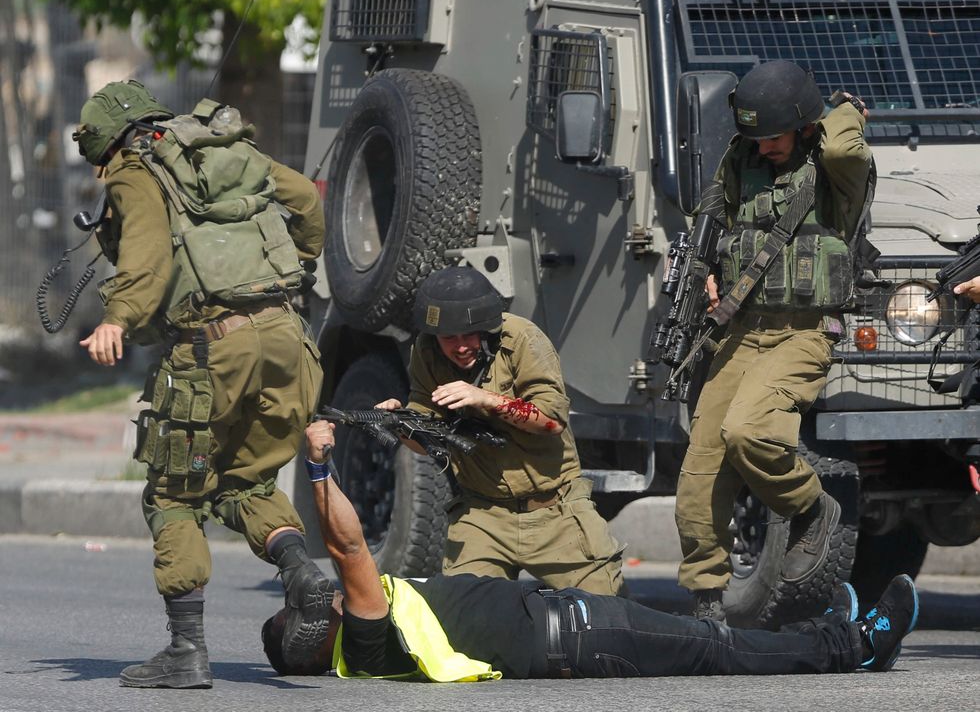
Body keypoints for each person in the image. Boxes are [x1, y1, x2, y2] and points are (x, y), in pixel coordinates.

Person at [259, 420, 919, 680]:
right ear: (315, 638)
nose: (318, 602)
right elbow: (346, 546)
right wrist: (318, 468)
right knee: (714, 647)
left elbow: (343, 559)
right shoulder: (366, 640)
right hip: (571, 633)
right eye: (306, 614)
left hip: (563, 626)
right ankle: (857, 645)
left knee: (706, 644)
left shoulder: (359, 641)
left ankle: (829, 632)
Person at [73, 80, 331, 689]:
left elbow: (147, 258)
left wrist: (117, 319)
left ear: (109, 143)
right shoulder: (223, 148)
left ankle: (186, 651)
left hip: (211, 349)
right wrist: (301, 265)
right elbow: (306, 203)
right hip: (287, 336)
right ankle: (300, 571)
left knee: (174, 495)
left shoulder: (135, 175)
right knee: (248, 478)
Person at [675, 60, 874, 621]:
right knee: (700, 468)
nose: (762, 149)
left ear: (807, 125)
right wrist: (709, 272)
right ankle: (707, 602)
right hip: (741, 332)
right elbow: (712, 217)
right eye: (754, 137)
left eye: (774, 136)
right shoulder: (742, 159)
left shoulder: (835, 174)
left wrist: (838, 110)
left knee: (750, 433)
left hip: (802, 333)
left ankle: (812, 511)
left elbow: (843, 150)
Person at [375, 267, 626, 596]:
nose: (460, 346)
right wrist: (402, 423)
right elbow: (430, 435)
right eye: (449, 337)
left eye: (469, 335)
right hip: (483, 514)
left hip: (554, 512)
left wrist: (488, 399)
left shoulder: (523, 339)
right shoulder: (426, 350)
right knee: (463, 618)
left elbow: (551, 421)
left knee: (607, 614)